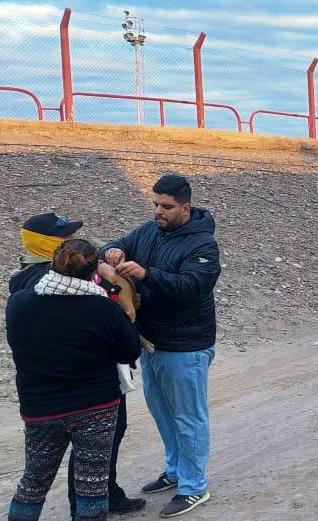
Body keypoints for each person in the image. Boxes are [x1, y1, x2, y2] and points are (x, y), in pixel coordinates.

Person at [8, 213, 147, 517]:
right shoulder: (100, 307)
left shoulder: (19, 299)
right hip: (95, 404)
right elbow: (127, 351)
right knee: (92, 487)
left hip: (40, 406)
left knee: (33, 483)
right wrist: (121, 305)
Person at [102, 173, 221, 518]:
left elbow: (192, 286)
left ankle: (194, 486)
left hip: (185, 346)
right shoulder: (148, 230)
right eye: (155, 204)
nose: (158, 211)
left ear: (185, 208)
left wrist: (145, 274)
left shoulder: (203, 245)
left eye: (166, 206)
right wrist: (113, 250)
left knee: (188, 417)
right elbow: (114, 243)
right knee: (163, 413)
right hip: (148, 342)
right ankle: (175, 471)